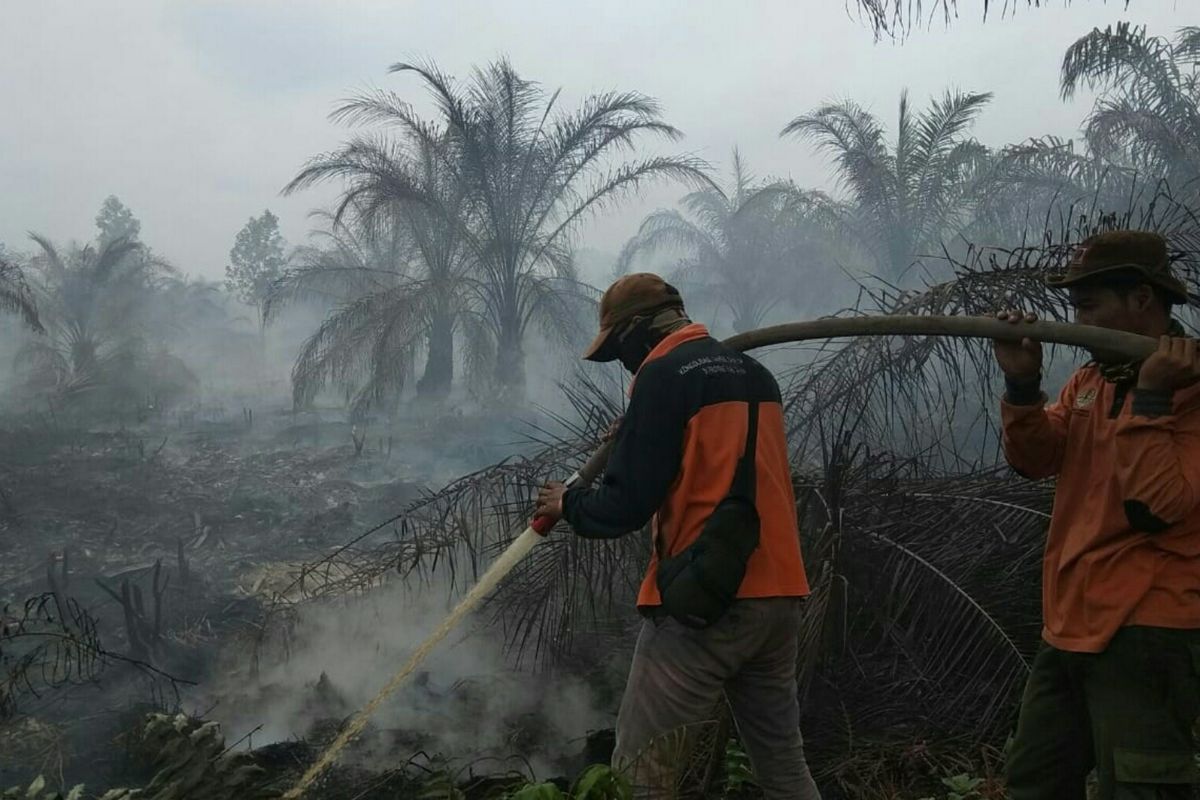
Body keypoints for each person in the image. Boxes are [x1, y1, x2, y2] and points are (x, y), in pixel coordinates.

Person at [534, 273, 821, 799]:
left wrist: (567, 503)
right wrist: (638, 431)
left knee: (642, 775)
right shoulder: (755, 375)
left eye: (620, 350)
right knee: (783, 766)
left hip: (705, 602)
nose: (625, 364)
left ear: (638, 331)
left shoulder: (663, 376)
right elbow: (710, 460)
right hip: (778, 598)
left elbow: (623, 505)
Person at [993, 230, 1200, 799]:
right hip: (1070, 621)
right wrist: (1022, 382)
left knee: (1141, 787)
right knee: (1035, 781)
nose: (1076, 320)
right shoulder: (1089, 382)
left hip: (1147, 624)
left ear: (1141, 299)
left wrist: (1153, 399)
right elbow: (1037, 460)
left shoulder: (1192, 389)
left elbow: (1158, 509)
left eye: (1088, 306)